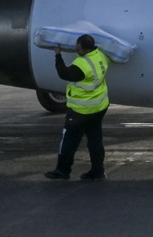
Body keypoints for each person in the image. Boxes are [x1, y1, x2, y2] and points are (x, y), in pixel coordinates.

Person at [45, 34, 110, 181]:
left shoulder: (82, 65)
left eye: (78, 47)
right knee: (95, 141)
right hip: (99, 107)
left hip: (81, 110)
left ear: (86, 49)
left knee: (68, 141)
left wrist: (57, 54)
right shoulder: (100, 55)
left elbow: (63, 73)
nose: (76, 49)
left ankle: (62, 171)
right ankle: (98, 172)